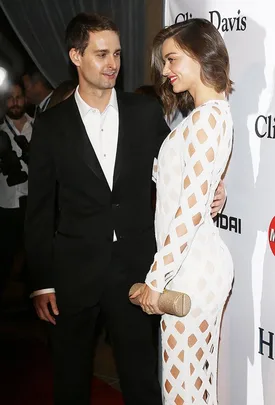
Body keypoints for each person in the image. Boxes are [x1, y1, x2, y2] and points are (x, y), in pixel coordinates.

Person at [25, 13, 226, 405]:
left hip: (136, 271)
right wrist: (42, 281)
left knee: (142, 379)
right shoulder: (51, 126)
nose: (112, 63)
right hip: (74, 272)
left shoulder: (143, 112)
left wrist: (214, 190)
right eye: (101, 54)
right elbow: (39, 209)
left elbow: (182, 166)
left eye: (116, 53)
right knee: (70, 377)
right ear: (76, 56)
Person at [136, 19, 234, 405]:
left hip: (188, 271)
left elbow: (190, 209)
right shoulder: (208, 115)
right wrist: (215, 187)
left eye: (173, 58)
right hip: (194, 265)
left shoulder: (208, 117)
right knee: (195, 389)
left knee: (181, 392)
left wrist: (156, 280)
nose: (165, 70)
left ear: (200, 54)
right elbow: (195, 192)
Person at [0, 80, 32, 298]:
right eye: (10, 98)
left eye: (18, 97)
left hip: (34, 200)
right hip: (6, 200)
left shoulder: (38, 124)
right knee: (5, 254)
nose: (15, 102)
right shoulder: (0, 129)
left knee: (33, 255)